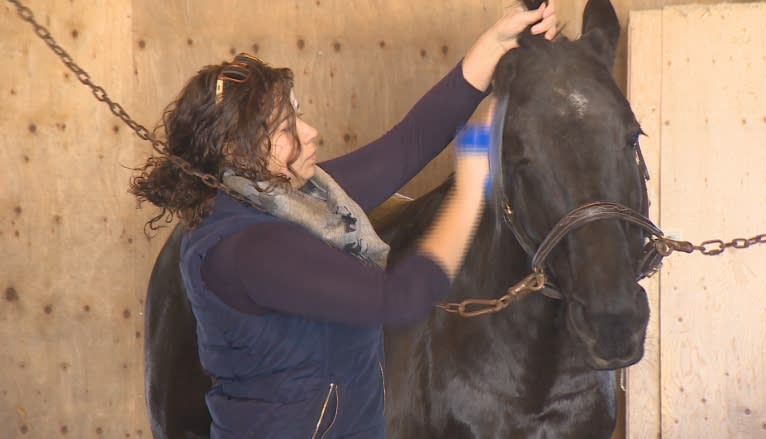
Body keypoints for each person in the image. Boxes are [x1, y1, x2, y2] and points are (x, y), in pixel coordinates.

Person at [131, 3, 557, 438]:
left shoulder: (294, 198)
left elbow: (407, 145)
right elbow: (401, 298)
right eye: (285, 127)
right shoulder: (247, 249)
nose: (310, 131)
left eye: (298, 112)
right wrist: (469, 190)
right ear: (236, 153)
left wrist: (495, 44)